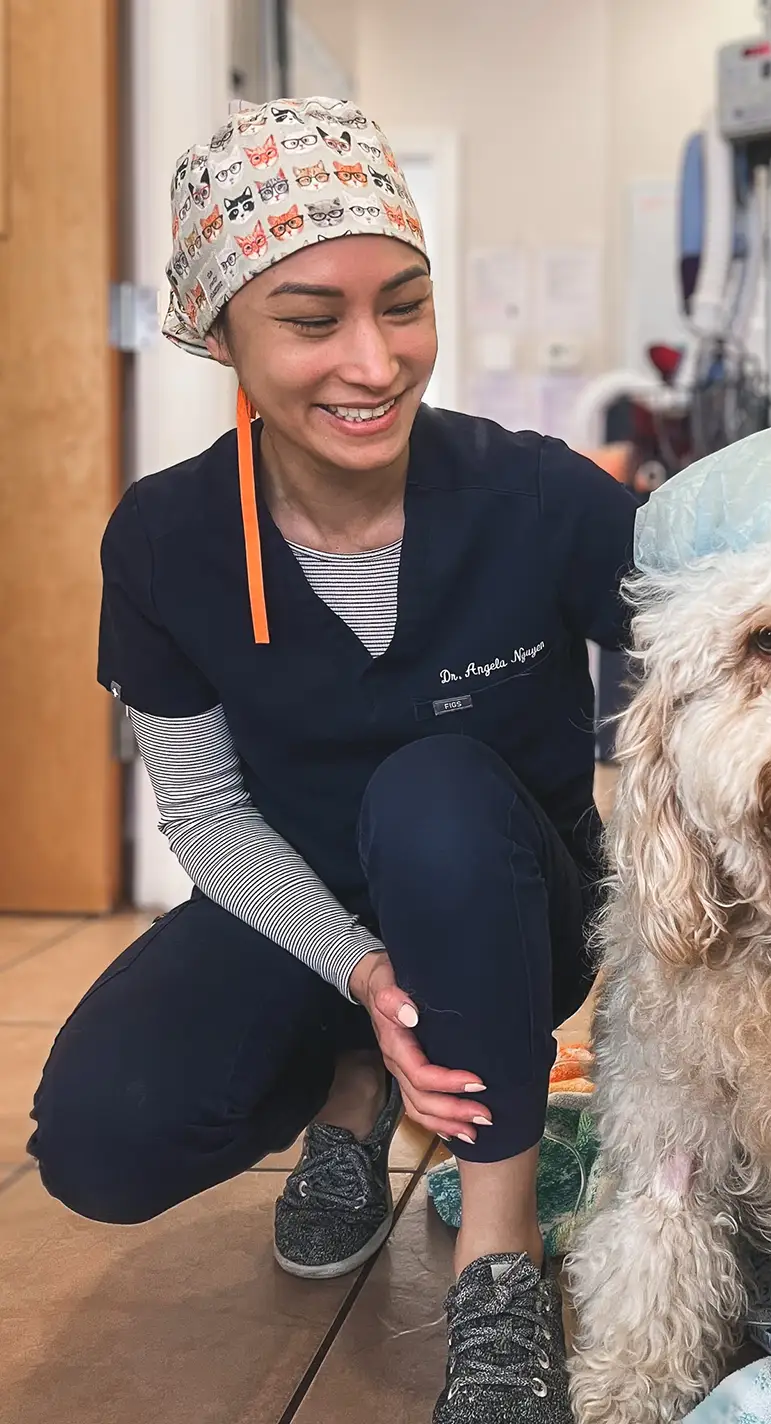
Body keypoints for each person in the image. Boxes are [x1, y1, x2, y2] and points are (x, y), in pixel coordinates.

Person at [27, 96, 636, 1424]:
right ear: (222, 329)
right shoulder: (166, 540)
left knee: (430, 790)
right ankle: (357, 1094)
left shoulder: (539, 498)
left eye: (404, 306)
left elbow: (719, 655)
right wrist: (363, 976)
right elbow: (199, 810)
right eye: (313, 321)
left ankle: (496, 1258)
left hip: (503, 906)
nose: (374, 361)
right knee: (99, 1137)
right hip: (310, 920)